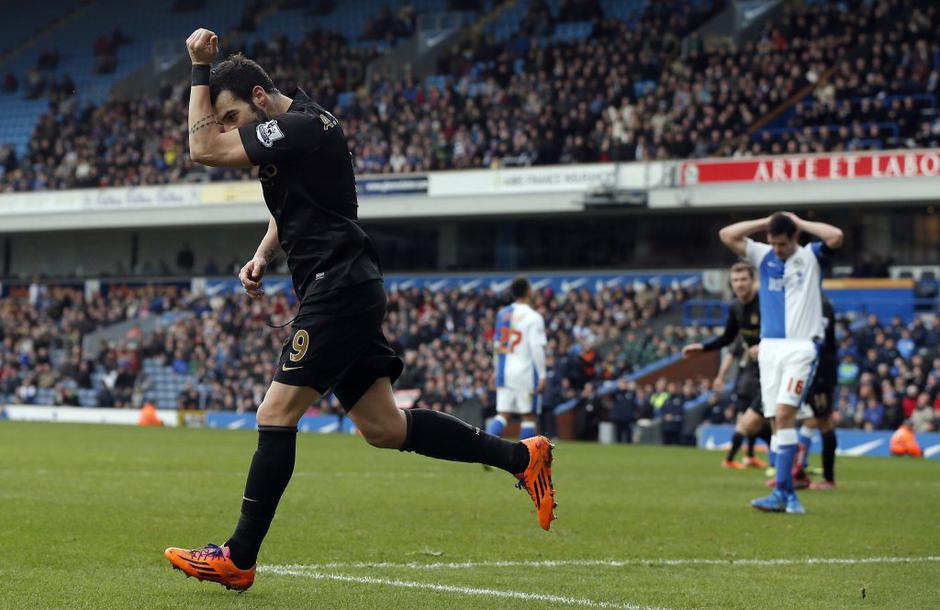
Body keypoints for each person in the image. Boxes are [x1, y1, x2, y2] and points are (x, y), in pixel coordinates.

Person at [164, 29, 556, 592]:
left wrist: (199, 71)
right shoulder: (294, 134)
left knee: (275, 415)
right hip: (344, 287)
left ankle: (238, 558)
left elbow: (202, 151)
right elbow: (293, 208)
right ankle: (523, 458)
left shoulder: (300, 124)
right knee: (383, 427)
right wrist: (262, 253)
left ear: (257, 96)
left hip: (338, 289)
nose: (227, 129)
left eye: (230, 117)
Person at [720, 211, 843, 515]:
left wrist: (797, 221)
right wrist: (767, 222)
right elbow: (727, 235)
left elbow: (836, 236)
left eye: (783, 243)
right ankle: (787, 495)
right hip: (770, 349)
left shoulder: (811, 257)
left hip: (801, 348)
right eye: (773, 243)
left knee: (787, 413)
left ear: (795, 238)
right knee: (776, 422)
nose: (777, 249)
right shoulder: (763, 255)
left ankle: (781, 491)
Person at [682, 261, 770, 469]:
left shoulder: (766, 303)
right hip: (754, 370)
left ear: (753, 281)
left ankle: (784, 463)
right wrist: (702, 348)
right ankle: (782, 464)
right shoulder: (736, 308)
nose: (739, 284)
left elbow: (784, 331)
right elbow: (727, 338)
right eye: (735, 280)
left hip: (774, 367)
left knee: (761, 421)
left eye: (743, 279)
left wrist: (765, 346)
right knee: (760, 421)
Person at [486, 276, 547, 441]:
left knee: (502, 415)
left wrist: (495, 370)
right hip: (525, 372)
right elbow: (536, 347)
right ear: (528, 291)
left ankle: (485, 451)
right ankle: (525, 461)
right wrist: (542, 375)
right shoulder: (534, 317)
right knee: (528, 417)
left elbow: (497, 345)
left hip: (505, 372)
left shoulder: (502, 315)